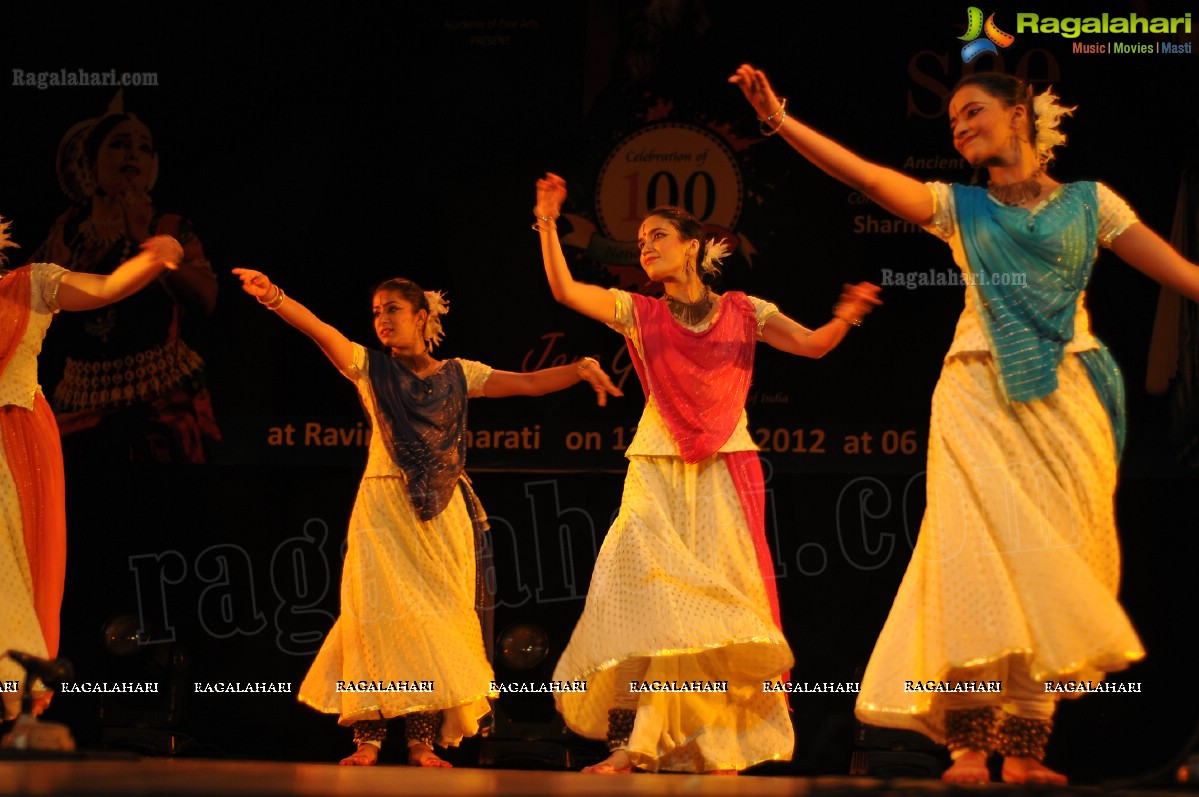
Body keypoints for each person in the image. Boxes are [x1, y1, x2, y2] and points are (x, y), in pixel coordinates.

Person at [729, 65, 1199, 785]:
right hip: (975, 391)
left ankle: (1026, 744)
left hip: (1066, 401)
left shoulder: (1090, 204)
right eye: (951, 119)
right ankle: (969, 745)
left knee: (1052, 566)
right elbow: (863, 175)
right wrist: (778, 119)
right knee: (973, 560)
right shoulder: (958, 209)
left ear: (1020, 116)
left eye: (972, 111)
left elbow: (1183, 274)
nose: (959, 126)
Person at [532, 172, 881, 774]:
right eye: (640, 239)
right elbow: (565, 290)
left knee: (709, 609)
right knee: (644, 599)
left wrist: (847, 315)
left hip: (725, 468)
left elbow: (813, 346)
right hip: (655, 467)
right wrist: (546, 219)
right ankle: (631, 743)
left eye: (659, 235)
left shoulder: (745, 311)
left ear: (694, 245)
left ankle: (704, 742)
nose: (646, 247)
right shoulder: (637, 312)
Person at [232, 267, 621, 767]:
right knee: (371, 618)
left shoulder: (459, 374)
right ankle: (367, 739)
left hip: (441, 512)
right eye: (376, 313)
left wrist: (579, 369)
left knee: (437, 621)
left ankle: (422, 740)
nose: (382, 320)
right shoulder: (368, 367)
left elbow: (525, 383)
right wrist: (274, 297)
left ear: (422, 317)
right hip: (382, 507)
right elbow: (319, 330)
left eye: (392, 310)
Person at [0, 216, 183, 721]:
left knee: (9, 567)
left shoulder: (29, 285)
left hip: (11, 438)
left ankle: (15, 698)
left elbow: (106, 288)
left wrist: (155, 256)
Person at [27, 91, 220, 464]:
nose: (133, 154)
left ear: (153, 165)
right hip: (77, 408)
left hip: (160, 404)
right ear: (89, 164)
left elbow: (206, 299)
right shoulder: (66, 235)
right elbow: (23, 293)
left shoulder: (168, 228)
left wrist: (146, 242)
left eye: (144, 148)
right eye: (119, 145)